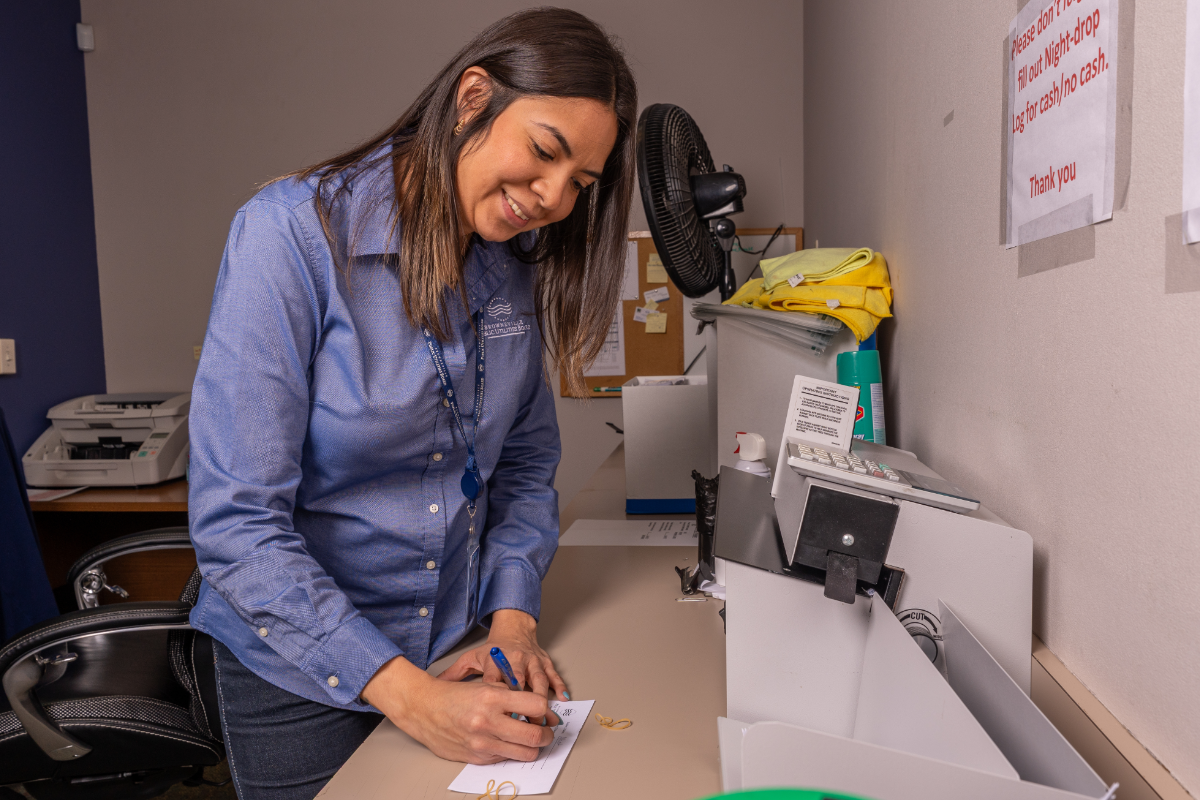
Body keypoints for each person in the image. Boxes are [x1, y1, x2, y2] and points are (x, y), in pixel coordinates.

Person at [186, 8, 638, 799]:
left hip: (456, 641)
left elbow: (525, 461)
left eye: (580, 183)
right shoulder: (288, 235)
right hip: (298, 667)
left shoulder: (510, 261)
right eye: (544, 152)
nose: (553, 198)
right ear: (473, 99)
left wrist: (512, 617)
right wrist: (413, 698)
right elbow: (236, 526)